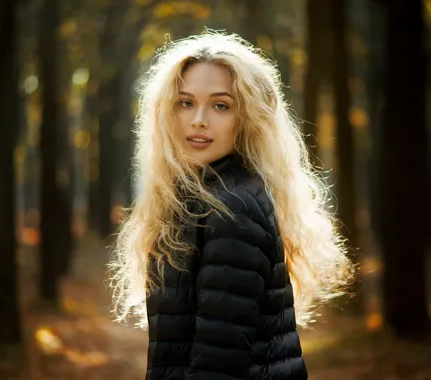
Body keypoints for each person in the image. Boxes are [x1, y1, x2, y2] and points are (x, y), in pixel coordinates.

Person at [108, 31, 353, 380]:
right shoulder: (198, 198)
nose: (198, 120)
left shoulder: (231, 208)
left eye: (220, 105)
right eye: (186, 102)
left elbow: (218, 365)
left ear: (247, 116)